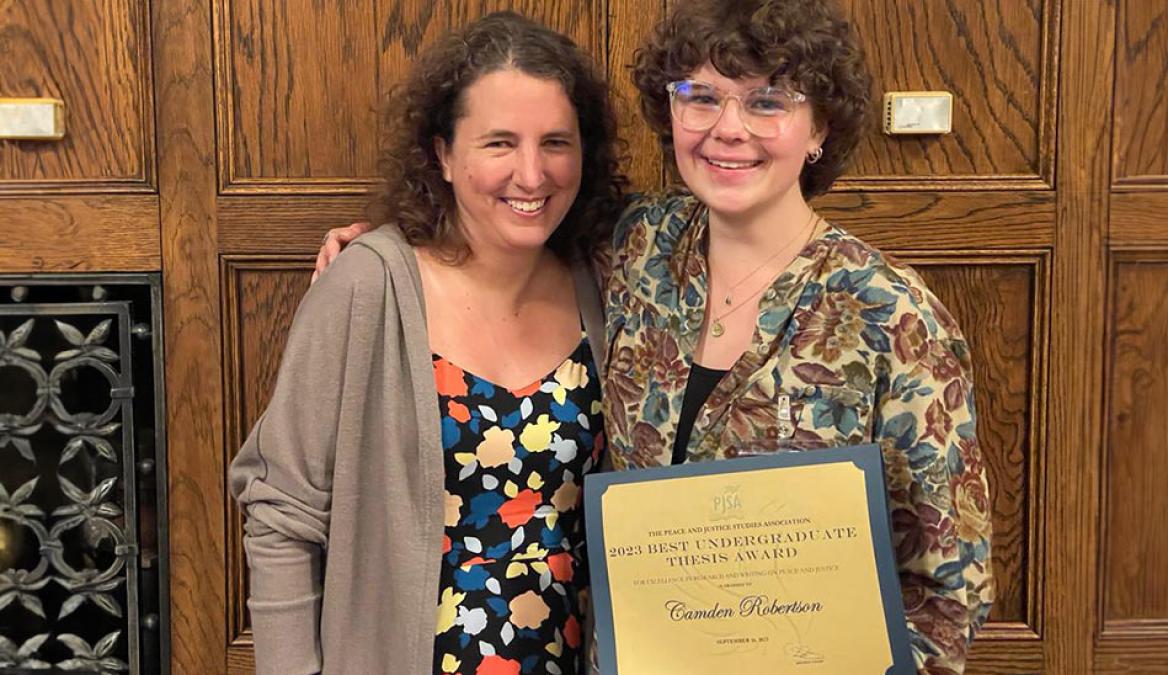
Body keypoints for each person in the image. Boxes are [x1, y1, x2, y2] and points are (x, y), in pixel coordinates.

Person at [315, 2, 994, 672]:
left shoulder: (894, 318)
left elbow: (946, 590)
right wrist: (385, 252)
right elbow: (510, 207)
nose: (729, 130)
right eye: (701, 98)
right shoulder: (636, 244)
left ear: (819, 126)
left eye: (767, 102)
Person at [230, 12, 625, 675]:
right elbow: (281, 513)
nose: (532, 174)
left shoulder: (605, 284)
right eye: (499, 143)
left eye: (555, 142)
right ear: (442, 153)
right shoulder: (369, 286)